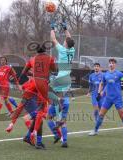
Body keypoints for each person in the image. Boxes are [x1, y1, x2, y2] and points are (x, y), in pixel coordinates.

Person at [47, 19, 75, 148]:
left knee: (49, 115)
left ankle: (57, 133)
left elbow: (53, 39)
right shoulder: (72, 50)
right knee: (62, 117)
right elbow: (69, 38)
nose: (63, 41)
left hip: (60, 81)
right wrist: (65, 28)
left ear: (66, 44)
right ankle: (64, 140)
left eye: (64, 41)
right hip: (66, 81)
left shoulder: (63, 51)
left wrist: (52, 27)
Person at [88, 58, 123, 138]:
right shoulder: (105, 74)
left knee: (122, 115)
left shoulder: (119, 74)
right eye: (110, 63)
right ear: (109, 64)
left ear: (115, 65)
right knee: (101, 114)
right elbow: (101, 83)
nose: (111, 64)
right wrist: (99, 93)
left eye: (113, 63)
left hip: (117, 98)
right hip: (108, 98)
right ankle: (95, 130)